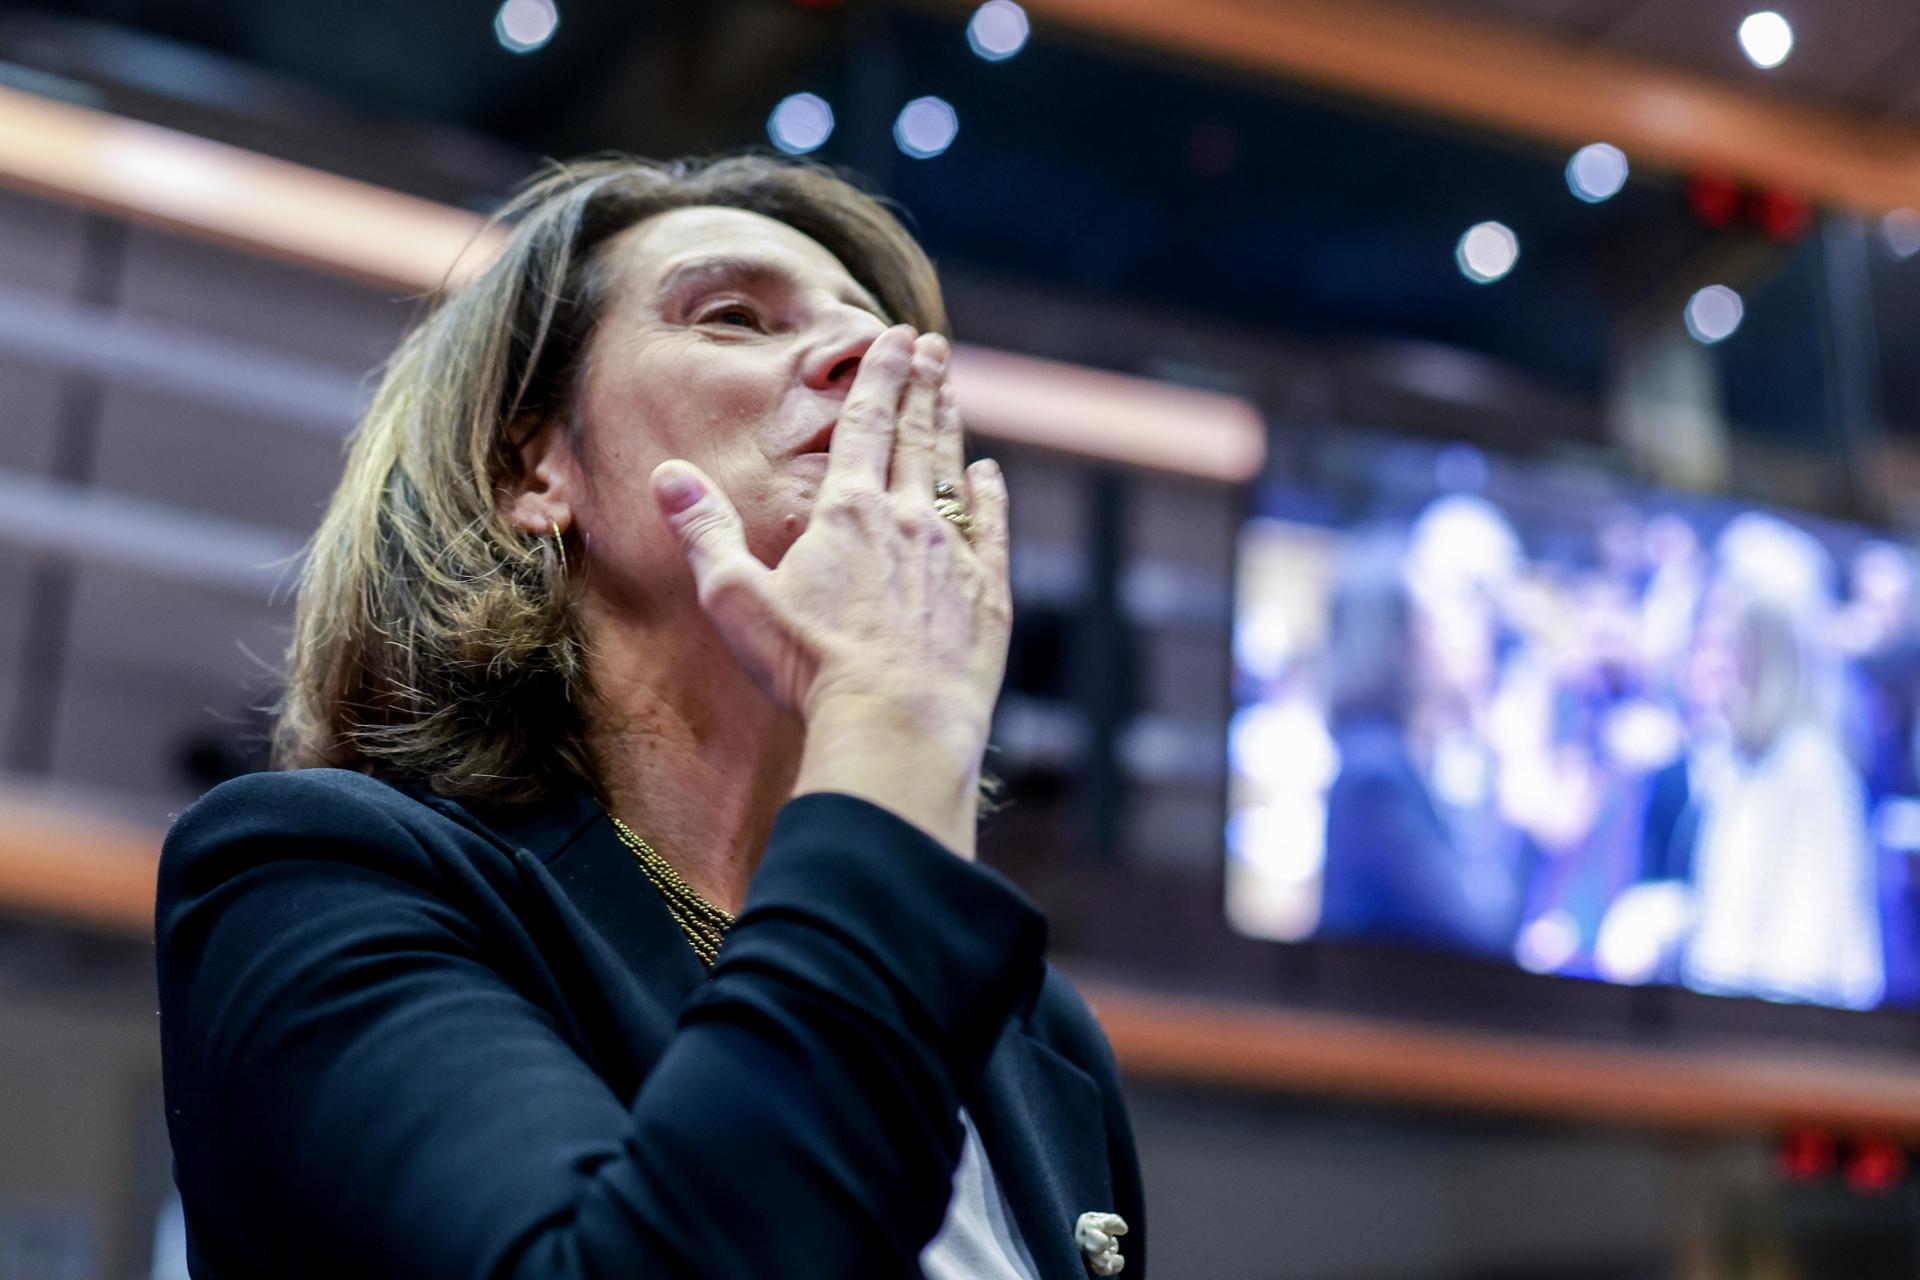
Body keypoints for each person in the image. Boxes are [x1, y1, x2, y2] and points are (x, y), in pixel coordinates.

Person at [154, 154, 1145, 1279]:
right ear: (533, 468)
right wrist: (886, 721)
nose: (872, 358)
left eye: (877, 329)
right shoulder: (315, 879)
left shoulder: (1035, 1032)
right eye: (732, 316)